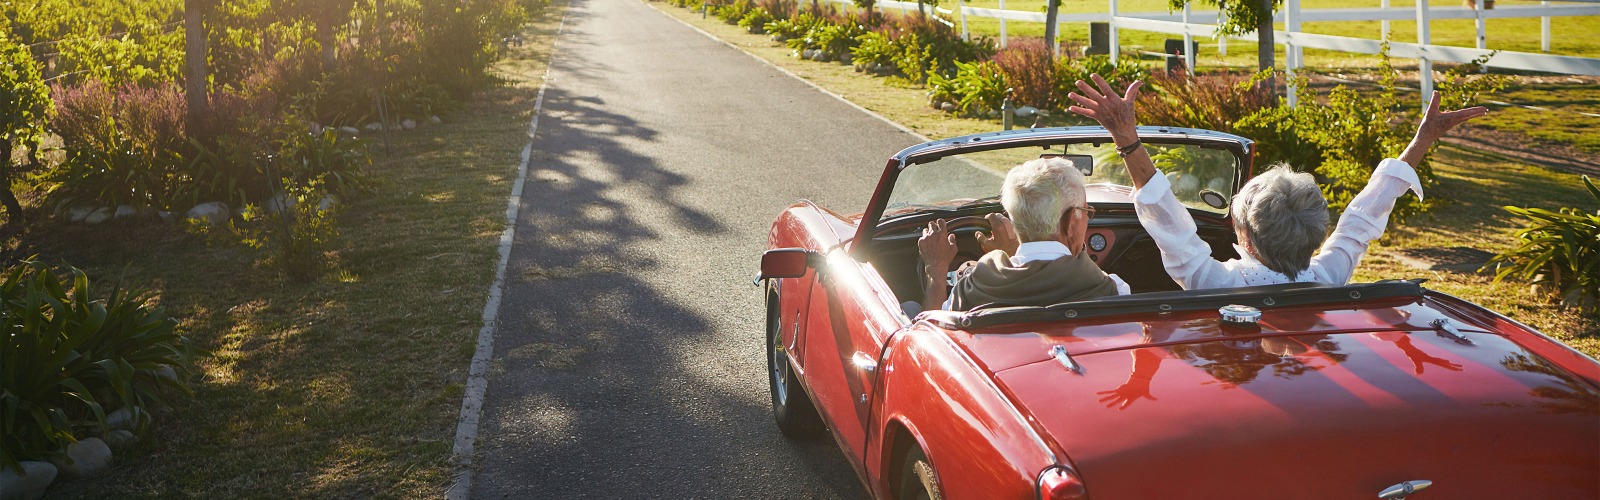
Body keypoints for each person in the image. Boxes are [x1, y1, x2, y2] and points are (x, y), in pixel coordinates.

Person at [1066, 74, 1487, 289]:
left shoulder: (1213, 283)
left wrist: (1126, 136)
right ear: (1314, 235)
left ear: (1245, 237)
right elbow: (1361, 219)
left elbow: (1166, 219)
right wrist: (1420, 141)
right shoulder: (1328, 277)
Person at [917, 158, 1130, 312]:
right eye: (1085, 212)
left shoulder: (970, 289)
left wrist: (935, 272)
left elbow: (930, 332)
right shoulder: (1112, 290)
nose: (1087, 219)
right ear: (1070, 221)